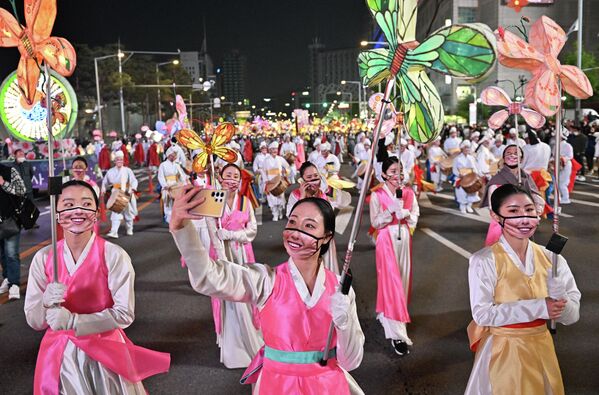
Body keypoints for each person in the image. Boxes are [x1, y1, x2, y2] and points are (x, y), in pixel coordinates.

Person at [170, 191, 364, 394]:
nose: (296, 233)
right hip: (278, 385)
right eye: (292, 222)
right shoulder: (266, 280)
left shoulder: (339, 291)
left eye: (309, 226)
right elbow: (209, 277)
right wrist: (181, 227)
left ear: (326, 238)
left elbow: (350, 361)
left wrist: (345, 324)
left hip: (327, 386)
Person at [24, 180, 170, 394]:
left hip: (106, 353)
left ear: (96, 210)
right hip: (59, 355)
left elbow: (124, 314)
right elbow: (35, 322)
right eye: (68, 204)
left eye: (85, 204)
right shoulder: (44, 258)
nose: (77, 211)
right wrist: (44, 303)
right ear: (56, 212)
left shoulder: (113, 255)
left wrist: (74, 321)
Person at [465, 184, 580, 394]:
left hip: (543, 350)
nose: (524, 218)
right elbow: (482, 315)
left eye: (529, 210)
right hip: (503, 353)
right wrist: (539, 307)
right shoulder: (483, 260)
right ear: (495, 215)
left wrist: (561, 298)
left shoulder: (552, 259)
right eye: (513, 211)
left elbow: (572, 317)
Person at [205, 164, 263, 368]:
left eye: (235, 176)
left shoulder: (246, 202)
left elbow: (252, 230)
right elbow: (211, 229)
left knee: (245, 295)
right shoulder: (215, 199)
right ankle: (232, 350)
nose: (231, 179)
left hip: (242, 255)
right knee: (227, 298)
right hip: (222, 255)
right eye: (227, 175)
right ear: (220, 178)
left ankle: (251, 341)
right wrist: (221, 256)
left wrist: (231, 235)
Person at [369, 157, 419, 356]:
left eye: (400, 170)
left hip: (404, 237)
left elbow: (415, 214)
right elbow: (375, 222)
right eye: (393, 171)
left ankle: (387, 313)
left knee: (403, 280)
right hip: (385, 238)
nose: (398, 175)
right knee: (392, 282)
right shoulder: (377, 195)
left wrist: (406, 213)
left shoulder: (408, 192)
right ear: (384, 174)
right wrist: (389, 211)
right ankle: (397, 333)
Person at [481, 145, 544, 246]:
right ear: (504, 158)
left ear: (522, 159)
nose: (512, 156)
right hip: (503, 223)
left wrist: (538, 207)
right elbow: (492, 206)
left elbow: (534, 194)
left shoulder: (525, 177)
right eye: (509, 154)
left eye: (516, 154)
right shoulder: (497, 179)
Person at [287, 161, 340, 274]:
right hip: (304, 241)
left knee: (326, 271)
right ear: (302, 180)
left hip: (323, 240)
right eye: (309, 177)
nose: (314, 180)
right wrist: (302, 197)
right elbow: (292, 219)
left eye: (316, 176)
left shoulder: (323, 194)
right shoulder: (295, 195)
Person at [0, 163, 26, 300]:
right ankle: (7, 278)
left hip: (10, 220)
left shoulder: (9, 171)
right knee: (2, 255)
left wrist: (4, 183)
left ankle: (14, 284)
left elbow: (22, 190)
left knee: (11, 254)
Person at [101, 151, 138, 238]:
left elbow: (133, 180)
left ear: (123, 160)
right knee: (115, 213)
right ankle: (114, 232)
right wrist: (103, 189)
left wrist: (132, 188)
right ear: (115, 161)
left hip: (126, 193)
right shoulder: (110, 171)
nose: (119, 161)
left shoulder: (128, 170)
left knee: (128, 213)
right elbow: (105, 182)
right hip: (116, 194)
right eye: (117, 159)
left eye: (121, 159)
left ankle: (129, 228)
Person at [158, 146, 189, 223]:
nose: (174, 157)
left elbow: (182, 176)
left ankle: (176, 221)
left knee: (177, 205)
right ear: (169, 155)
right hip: (167, 187)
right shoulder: (163, 165)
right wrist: (165, 185)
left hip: (176, 187)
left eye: (175, 155)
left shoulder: (176, 165)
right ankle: (169, 221)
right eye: (173, 155)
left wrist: (185, 183)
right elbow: (161, 176)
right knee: (168, 205)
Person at [263, 141, 291, 221]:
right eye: (273, 149)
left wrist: (285, 173)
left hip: (279, 182)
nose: (275, 150)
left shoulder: (280, 159)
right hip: (270, 181)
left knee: (280, 197)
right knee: (272, 198)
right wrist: (266, 180)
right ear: (270, 150)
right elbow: (263, 171)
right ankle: (275, 214)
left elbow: (287, 167)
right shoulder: (266, 160)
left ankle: (280, 212)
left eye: (276, 149)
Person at [453, 140, 482, 214]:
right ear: (462, 148)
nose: (467, 149)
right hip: (461, 177)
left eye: (468, 148)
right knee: (461, 192)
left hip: (471, 177)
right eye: (465, 148)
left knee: (472, 191)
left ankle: (469, 205)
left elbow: (475, 168)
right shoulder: (457, 158)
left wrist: (476, 174)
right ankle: (462, 206)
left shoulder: (472, 158)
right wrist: (459, 174)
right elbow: (454, 169)